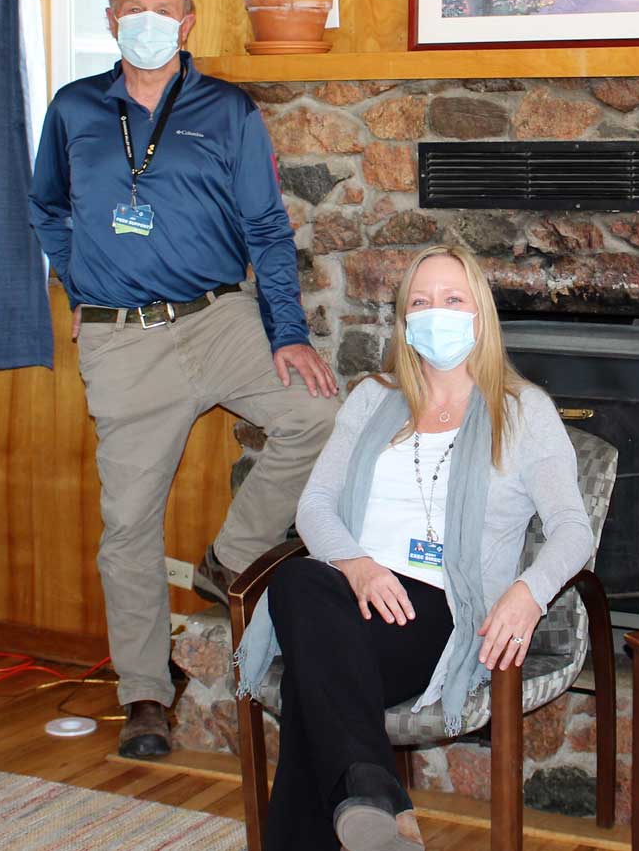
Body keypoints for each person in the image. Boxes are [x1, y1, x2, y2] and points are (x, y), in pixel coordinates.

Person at [27, 0, 339, 759]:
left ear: (188, 24)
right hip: (122, 340)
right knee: (126, 523)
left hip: (218, 318)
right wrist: (78, 286)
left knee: (318, 415)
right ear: (110, 20)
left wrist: (288, 333)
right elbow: (48, 208)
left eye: (164, 8)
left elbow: (267, 229)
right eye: (133, 7)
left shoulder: (228, 110)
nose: (148, 19)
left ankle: (228, 559)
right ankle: (143, 695)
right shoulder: (72, 110)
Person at [235, 245, 596, 851]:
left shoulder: (522, 410)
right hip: (347, 594)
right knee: (300, 584)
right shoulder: (373, 399)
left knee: (310, 672)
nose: (437, 313)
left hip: (437, 616)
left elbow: (572, 527)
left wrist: (528, 594)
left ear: (480, 314)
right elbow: (314, 506)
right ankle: (373, 803)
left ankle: (375, 800)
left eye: (453, 299)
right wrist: (357, 566)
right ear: (403, 320)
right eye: (421, 302)